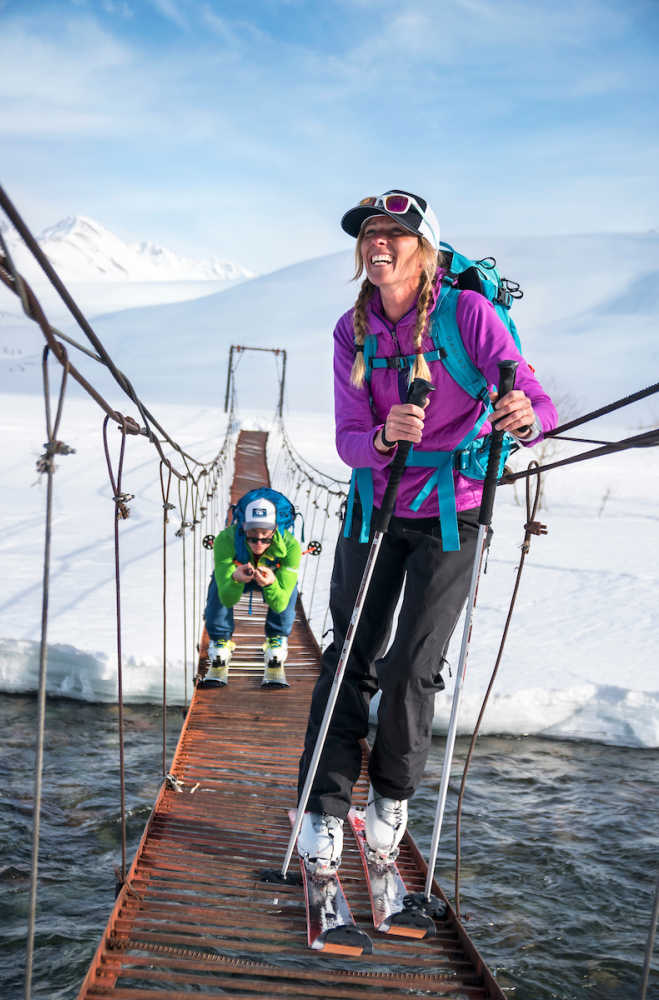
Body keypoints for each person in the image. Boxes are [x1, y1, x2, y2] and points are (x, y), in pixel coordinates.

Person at [296, 189, 558, 875]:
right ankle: (321, 808)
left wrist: (523, 417)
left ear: (426, 249)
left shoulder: (466, 314)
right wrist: (382, 436)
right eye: (368, 234)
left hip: (454, 505)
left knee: (412, 666)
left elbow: (533, 396)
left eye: (394, 234)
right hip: (373, 507)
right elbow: (349, 434)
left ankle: (389, 799)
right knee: (349, 652)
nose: (377, 244)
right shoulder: (351, 331)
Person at [202, 493, 302, 688]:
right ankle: (220, 644)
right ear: (243, 528)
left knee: (289, 591)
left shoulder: (291, 547)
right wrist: (235, 579)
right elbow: (227, 597)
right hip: (241, 575)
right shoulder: (225, 540)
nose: (259, 543)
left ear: (275, 530)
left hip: (272, 577)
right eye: (252, 536)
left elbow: (280, 602)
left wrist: (272, 583)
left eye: (266, 538)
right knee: (217, 584)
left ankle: (276, 643)